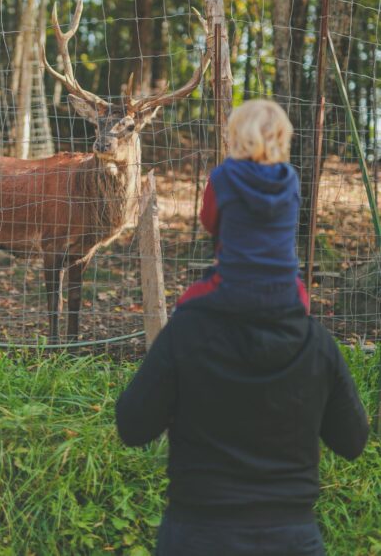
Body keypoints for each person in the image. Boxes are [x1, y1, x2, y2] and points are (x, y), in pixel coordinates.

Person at [115, 99, 369, 556]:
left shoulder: (188, 331)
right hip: (291, 539)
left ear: (217, 218)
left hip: (198, 535)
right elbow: (352, 441)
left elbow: (133, 426)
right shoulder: (314, 345)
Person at [179, 98, 309, 313]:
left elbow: (209, 223)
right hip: (286, 288)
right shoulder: (290, 178)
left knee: (183, 310)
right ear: (282, 136)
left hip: (234, 283)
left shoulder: (222, 176)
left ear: (237, 134)